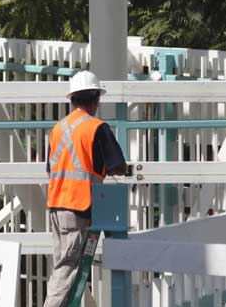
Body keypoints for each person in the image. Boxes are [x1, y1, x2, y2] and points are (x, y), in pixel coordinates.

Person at [43, 70, 127, 307]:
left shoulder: (58, 128)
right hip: (78, 206)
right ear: (95, 100)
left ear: (72, 99)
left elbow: (51, 168)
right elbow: (117, 165)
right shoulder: (96, 128)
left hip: (56, 205)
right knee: (67, 269)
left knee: (61, 266)